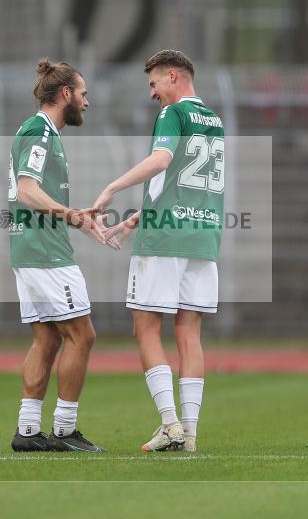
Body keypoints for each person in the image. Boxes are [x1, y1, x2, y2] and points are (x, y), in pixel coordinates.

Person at [95, 50, 224, 453]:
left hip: (166, 240)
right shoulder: (215, 120)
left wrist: (113, 188)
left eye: (153, 83)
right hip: (202, 237)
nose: (152, 93)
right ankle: (190, 434)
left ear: (173, 76)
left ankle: (169, 424)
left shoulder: (174, 115)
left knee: (145, 327)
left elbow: (162, 160)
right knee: (189, 332)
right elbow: (183, 185)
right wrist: (136, 219)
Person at [9, 58, 112, 453]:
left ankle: (28, 431)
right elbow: (27, 190)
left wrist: (78, 219)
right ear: (65, 93)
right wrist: (70, 214)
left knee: (48, 339)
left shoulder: (43, 132)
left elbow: (37, 197)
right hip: (44, 254)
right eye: (83, 93)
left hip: (31, 248)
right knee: (82, 335)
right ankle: (66, 431)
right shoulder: (40, 131)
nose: (87, 101)